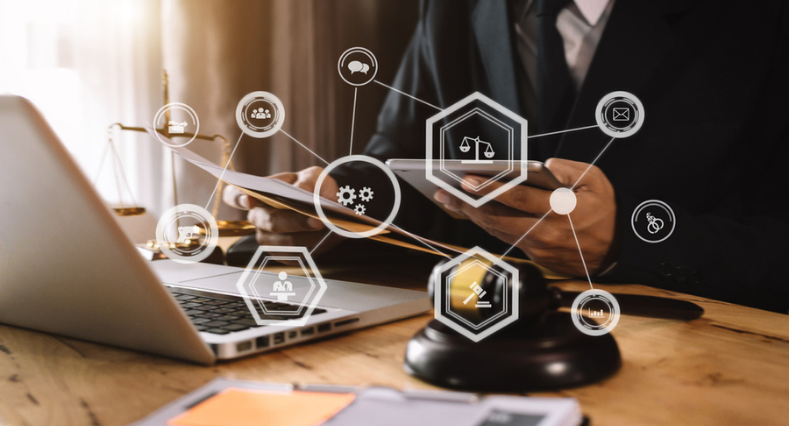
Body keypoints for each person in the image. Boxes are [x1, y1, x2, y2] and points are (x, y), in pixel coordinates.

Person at [225, 0, 789, 313]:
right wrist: (340, 206)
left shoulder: (760, 20)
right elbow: (397, 158)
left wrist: (629, 243)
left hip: (692, 348)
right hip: (476, 329)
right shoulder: (451, 10)